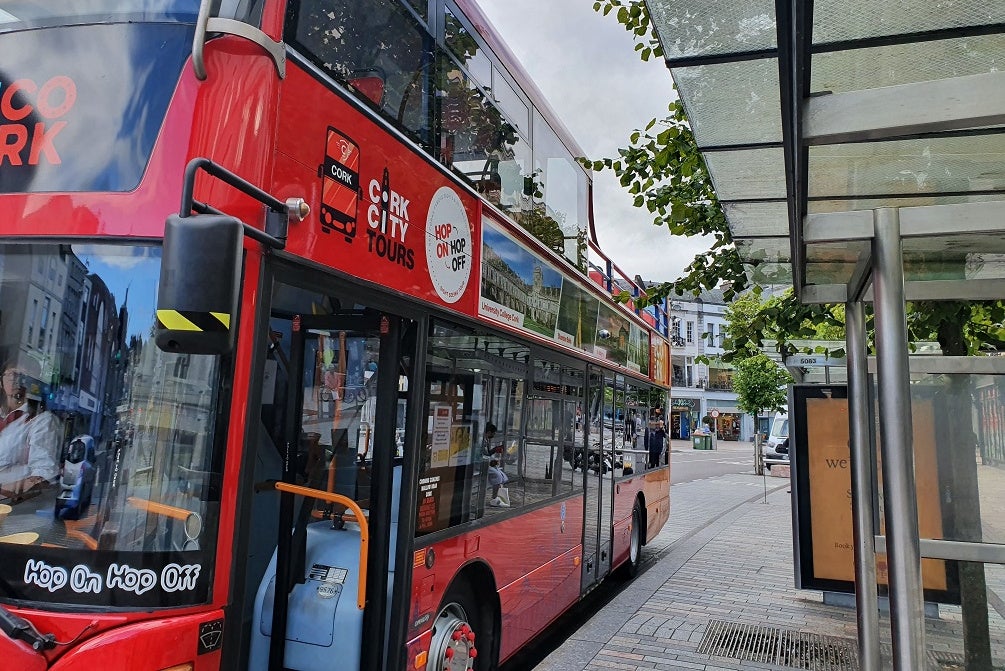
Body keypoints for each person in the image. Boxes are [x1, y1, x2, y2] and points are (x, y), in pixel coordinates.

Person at [0, 362, 63, 502]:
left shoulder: (41, 421)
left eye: (23, 376)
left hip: (14, 509)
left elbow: (44, 475)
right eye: (12, 374)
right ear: (1, 382)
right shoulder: (2, 418)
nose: (17, 380)